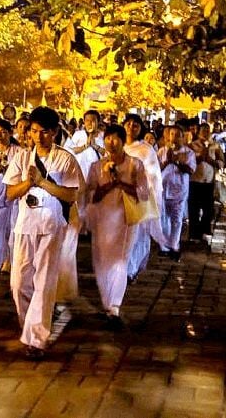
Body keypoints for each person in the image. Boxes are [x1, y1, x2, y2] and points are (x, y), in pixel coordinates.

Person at [4, 107, 82, 359]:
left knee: (44, 282)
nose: (38, 137)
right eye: (34, 131)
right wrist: (28, 182)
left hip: (51, 226)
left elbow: (71, 194)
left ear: (55, 132)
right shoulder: (21, 157)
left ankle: (37, 339)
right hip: (25, 226)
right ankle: (30, 325)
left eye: (44, 132)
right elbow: (9, 193)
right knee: (18, 284)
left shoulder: (65, 159)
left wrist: (43, 182)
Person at [86, 125, 148, 329]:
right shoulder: (96, 167)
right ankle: (107, 302)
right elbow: (91, 194)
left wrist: (120, 182)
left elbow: (143, 193)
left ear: (123, 141)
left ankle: (114, 307)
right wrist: (106, 186)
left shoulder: (135, 165)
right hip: (103, 218)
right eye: (107, 139)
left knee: (120, 261)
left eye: (115, 139)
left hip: (125, 219)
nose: (111, 142)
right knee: (102, 261)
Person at [123, 114, 164, 282]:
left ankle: (131, 270)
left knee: (137, 234)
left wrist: (152, 196)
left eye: (135, 125)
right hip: (120, 196)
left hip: (140, 196)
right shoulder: (117, 145)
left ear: (141, 129)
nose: (131, 127)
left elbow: (153, 176)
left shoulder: (146, 149)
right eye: (129, 124)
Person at [0, 120, 23, 278]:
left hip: (13, 196)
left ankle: (9, 262)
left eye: (3, 132)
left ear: (10, 133)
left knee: (13, 229)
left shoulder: (18, 151)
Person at [157, 125, 196, 261]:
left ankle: (174, 245)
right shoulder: (162, 151)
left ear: (182, 137)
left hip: (179, 190)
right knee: (163, 219)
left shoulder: (188, 153)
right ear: (168, 136)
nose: (174, 137)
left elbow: (190, 170)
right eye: (172, 134)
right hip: (163, 188)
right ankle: (164, 246)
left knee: (176, 219)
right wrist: (168, 161)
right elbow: (156, 169)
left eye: (177, 135)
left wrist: (177, 161)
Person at [188, 122, 225, 244]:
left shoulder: (215, 146)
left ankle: (204, 230)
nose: (205, 132)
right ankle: (194, 233)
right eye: (203, 130)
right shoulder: (192, 146)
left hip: (209, 181)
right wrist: (199, 158)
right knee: (194, 208)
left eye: (207, 130)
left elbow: (221, 162)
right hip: (194, 181)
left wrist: (211, 161)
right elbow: (189, 162)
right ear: (198, 132)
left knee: (208, 209)